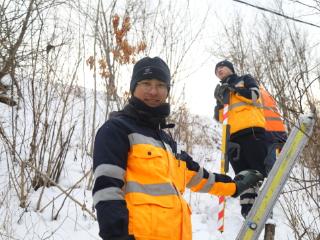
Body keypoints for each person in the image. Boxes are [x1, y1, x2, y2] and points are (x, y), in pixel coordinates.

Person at [93, 56, 263, 240]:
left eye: (160, 85)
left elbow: (197, 176)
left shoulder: (166, 141)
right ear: (133, 88)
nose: (153, 91)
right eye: (146, 83)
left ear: (167, 91)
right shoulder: (117, 130)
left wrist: (235, 186)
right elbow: (106, 191)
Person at [213, 60, 268, 218]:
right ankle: (248, 212)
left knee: (258, 171)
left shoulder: (244, 79)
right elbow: (219, 117)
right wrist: (219, 102)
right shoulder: (222, 91)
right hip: (232, 136)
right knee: (243, 176)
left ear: (230, 69)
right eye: (216, 70)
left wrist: (234, 90)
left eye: (221, 67)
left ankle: (263, 206)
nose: (219, 70)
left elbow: (254, 95)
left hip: (252, 130)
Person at [259, 86, 287, 174]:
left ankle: (271, 178)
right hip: (280, 131)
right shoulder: (267, 94)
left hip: (268, 131)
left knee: (269, 164)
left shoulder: (254, 93)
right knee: (277, 159)